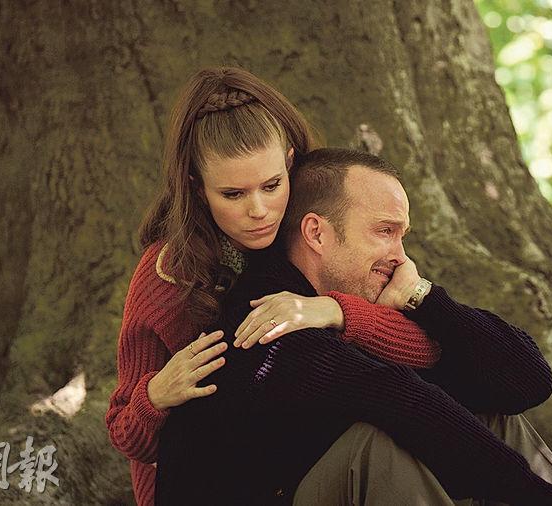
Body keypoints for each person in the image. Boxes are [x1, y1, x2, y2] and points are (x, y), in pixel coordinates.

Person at [155, 148, 552, 505]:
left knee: (494, 416)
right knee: (378, 445)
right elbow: (396, 396)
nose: (400, 256)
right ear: (317, 233)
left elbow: (528, 382)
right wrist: (539, 498)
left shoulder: (361, 304)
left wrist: (424, 298)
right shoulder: (267, 313)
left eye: (401, 235)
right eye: (384, 231)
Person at [105, 68, 445, 506]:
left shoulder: (314, 236)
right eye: (233, 194)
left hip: (317, 456)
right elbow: (127, 437)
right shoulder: (168, 274)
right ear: (197, 188)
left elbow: (427, 352)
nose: (259, 210)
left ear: (289, 163)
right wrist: (156, 395)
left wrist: (338, 312)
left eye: (271, 186)